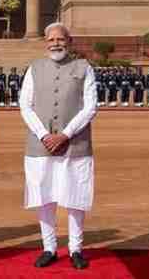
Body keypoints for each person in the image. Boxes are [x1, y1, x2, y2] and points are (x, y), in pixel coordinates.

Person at [19, 23, 97, 270]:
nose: (55, 43)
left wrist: (65, 134)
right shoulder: (34, 68)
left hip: (75, 144)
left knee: (75, 197)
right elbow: (25, 105)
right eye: (51, 39)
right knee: (45, 196)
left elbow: (90, 107)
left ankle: (75, 248)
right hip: (40, 145)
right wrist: (44, 135)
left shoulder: (84, 68)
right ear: (45, 42)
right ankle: (49, 248)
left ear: (69, 41)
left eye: (60, 39)